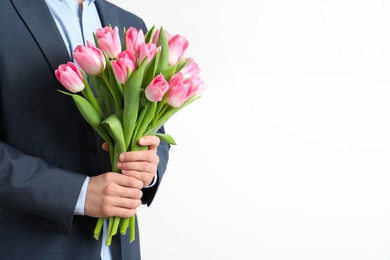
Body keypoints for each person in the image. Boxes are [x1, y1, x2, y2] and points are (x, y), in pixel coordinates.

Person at [0, 0, 170, 259]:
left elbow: (154, 127)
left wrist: (148, 167)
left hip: (119, 249)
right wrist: (77, 194)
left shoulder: (131, 25)